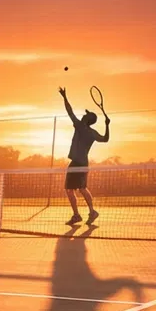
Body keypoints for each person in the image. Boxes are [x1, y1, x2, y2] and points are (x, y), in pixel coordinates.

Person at [58, 87, 110, 226]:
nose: (83, 115)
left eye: (86, 115)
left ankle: (91, 212)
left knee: (79, 189)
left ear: (88, 120)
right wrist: (107, 125)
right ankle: (77, 215)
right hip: (78, 163)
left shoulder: (80, 126)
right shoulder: (92, 132)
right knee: (72, 189)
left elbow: (69, 111)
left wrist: (64, 97)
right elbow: (105, 139)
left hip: (78, 164)